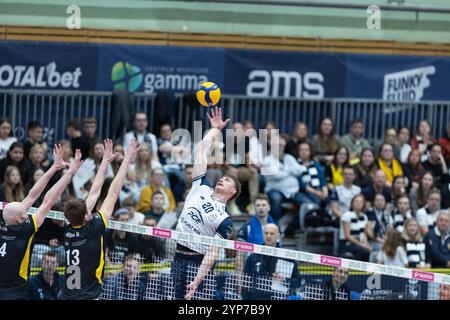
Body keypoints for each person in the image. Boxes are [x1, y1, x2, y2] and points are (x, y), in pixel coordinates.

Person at [171, 107, 240, 300]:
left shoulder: (225, 220)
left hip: (198, 262)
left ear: (232, 192)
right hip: (178, 256)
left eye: (227, 180)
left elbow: (212, 253)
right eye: (222, 178)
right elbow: (201, 150)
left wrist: (198, 279)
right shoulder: (201, 186)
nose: (222, 180)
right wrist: (215, 130)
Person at [60, 138, 139, 300]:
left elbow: (95, 192)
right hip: (88, 296)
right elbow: (113, 193)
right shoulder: (93, 229)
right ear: (85, 216)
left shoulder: (68, 230)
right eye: (88, 211)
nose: (91, 212)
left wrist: (104, 162)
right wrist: (126, 161)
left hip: (67, 295)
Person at [0, 144, 79, 299]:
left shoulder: (5, 225)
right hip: (14, 293)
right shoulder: (24, 231)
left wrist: (53, 167)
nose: (26, 212)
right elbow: (48, 200)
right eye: (24, 213)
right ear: (19, 219)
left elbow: (31, 196)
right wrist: (68, 173)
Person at [242, 224, 299, 300]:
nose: (268, 236)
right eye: (266, 233)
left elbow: (298, 282)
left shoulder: (287, 257)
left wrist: (284, 280)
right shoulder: (253, 257)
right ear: (262, 235)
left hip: (279, 297)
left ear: (278, 236)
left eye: (272, 233)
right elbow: (245, 281)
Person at [261, 135, 304, 222]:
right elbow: (276, 175)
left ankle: (291, 228)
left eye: (281, 145)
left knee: (307, 204)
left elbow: (301, 170)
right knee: (276, 200)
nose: (279, 147)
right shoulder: (267, 160)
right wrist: (291, 171)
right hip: (275, 190)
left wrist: (284, 170)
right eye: (277, 145)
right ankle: (274, 226)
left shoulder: (289, 158)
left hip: (293, 191)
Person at [338, 194, 371, 261]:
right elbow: (347, 236)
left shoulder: (364, 216)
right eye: (356, 201)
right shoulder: (347, 215)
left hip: (359, 243)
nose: (359, 203)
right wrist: (362, 245)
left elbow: (364, 234)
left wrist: (366, 243)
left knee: (369, 250)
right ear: (352, 203)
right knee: (365, 251)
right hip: (347, 243)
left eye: (361, 201)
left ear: (363, 204)